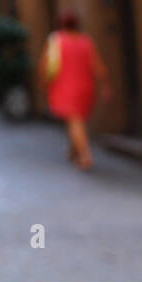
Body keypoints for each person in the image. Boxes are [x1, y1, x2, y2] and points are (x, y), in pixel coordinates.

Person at [42, 10, 112, 171]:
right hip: (85, 85)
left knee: (75, 120)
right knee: (77, 120)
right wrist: (106, 84)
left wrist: (44, 81)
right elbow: (98, 65)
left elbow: (45, 64)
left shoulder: (55, 40)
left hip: (64, 85)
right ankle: (74, 151)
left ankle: (85, 154)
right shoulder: (86, 41)